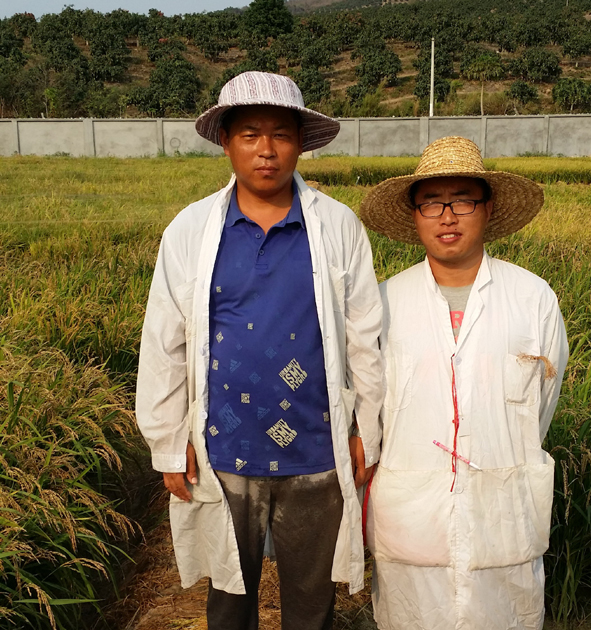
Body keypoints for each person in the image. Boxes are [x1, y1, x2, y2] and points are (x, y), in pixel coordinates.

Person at [135, 71, 383, 630]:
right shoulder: (190, 230)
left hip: (317, 451)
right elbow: (165, 341)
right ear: (226, 141)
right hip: (225, 451)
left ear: (301, 144)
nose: (266, 150)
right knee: (228, 601)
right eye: (250, 134)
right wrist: (170, 443)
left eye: (281, 134)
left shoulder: (337, 226)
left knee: (312, 602)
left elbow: (365, 337)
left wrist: (367, 428)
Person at [359, 136, 569, 630]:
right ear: (415, 215)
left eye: (463, 200)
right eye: (431, 202)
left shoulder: (532, 298)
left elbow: (540, 406)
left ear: (488, 208)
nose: (447, 216)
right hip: (411, 516)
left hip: (503, 512)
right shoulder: (384, 303)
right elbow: (371, 409)